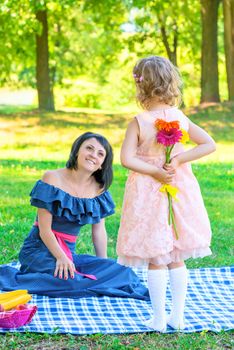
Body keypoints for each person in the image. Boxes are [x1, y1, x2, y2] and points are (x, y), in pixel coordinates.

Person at [116, 56, 216, 331]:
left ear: (141, 86)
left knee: (156, 256)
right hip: (177, 186)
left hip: (149, 191)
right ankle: (178, 317)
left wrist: (154, 171)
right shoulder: (179, 118)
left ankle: (159, 319)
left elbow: (126, 159)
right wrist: (179, 161)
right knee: (175, 254)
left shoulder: (139, 121)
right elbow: (208, 144)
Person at [0, 132, 149, 300]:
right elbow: (44, 230)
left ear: (102, 164)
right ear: (77, 150)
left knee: (123, 272)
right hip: (39, 249)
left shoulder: (99, 189)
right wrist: (61, 258)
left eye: (100, 154)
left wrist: (104, 266)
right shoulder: (52, 178)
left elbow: (99, 232)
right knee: (70, 281)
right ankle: (10, 277)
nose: (94, 155)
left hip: (69, 253)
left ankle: (89, 281)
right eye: (89, 148)